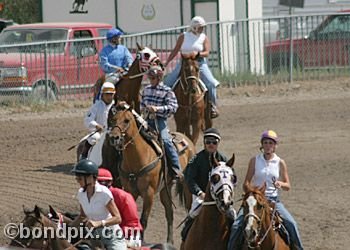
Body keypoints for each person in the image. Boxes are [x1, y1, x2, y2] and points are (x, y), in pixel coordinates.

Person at [227, 130, 304, 250]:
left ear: (275, 146)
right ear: (262, 145)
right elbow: (246, 182)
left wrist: (280, 184)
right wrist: (251, 191)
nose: (268, 145)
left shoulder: (280, 162)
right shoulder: (254, 160)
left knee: (291, 223)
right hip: (255, 199)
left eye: (271, 143)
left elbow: (288, 186)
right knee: (236, 226)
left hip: (273, 201)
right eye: (266, 143)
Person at [163, 16, 220, 118]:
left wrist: (197, 54)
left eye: (202, 27)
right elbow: (175, 50)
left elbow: (206, 52)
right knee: (168, 82)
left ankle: (212, 105)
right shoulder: (183, 36)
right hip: (184, 63)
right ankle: (167, 105)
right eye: (200, 27)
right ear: (194, 27)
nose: (202, 29)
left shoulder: (203, 37)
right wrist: (166, 62)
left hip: (199, 63)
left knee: (211, 83)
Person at [181, 128, 227, 240]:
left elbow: (230, 178)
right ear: (204, 143)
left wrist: (226, 191)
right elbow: (190, 179)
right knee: (193, 214)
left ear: (218, 143)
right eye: (208, 142)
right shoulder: (196, 159)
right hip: (201, 196)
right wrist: (199, 192)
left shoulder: (223, 159)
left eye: (214, 142)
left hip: (220, 196)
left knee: (233, 215)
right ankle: (185, 237)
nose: (211, 144)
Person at [71, 159, 127, 249]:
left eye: (79, 178)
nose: (77, 180)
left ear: (90, 178)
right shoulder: (81, 193)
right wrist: (68, 227)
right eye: (77, 178)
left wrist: (99, 223)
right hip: (94, 237)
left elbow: (118, 218)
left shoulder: (104, 193)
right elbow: (82, 216)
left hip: (112, 237)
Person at [140, 65, 183, 180]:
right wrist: (144, 108)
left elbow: (173, 107)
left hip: (159, 121)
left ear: (159, 78)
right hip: (146, 119)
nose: (151, 80)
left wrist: (157, 109)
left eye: (153, 78)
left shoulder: (167, 91)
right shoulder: (146, 90)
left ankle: (176, 169)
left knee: (165, 141)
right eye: (150, 78)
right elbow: (142, 104)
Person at [97, 168, 143, 248]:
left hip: (130, 235)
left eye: (99, 184)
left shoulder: (123, 197)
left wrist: (111, 233)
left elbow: (132, 224)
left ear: (109, 183)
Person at [81, 82, 115, 159]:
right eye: (107, 94)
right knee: (94, 137)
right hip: (100, 133)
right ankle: (83, 157)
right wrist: (96, 125)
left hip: (112, 133)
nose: (109, 97)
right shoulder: (96, 106)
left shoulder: (116, 106)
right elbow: (87, 119)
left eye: (111, 94)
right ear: (102, 94)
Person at [97, 28, 133, 100]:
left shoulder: (123, 48)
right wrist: (116, 68)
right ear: (113, 39)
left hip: (125, 72)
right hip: (111, 75)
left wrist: (130, 64)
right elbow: (104, 65)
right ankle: (101, 101)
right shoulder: (104, 51)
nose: (120, 39)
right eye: (118, 37)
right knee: (108, 86)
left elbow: (129, 58)